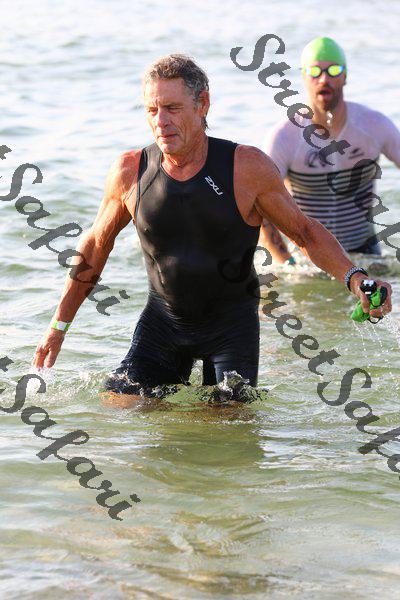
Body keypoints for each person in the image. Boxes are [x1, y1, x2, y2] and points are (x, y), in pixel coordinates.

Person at [32, 54, 392, 406]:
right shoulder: (130, 171)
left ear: (202, 104)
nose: (161, 121)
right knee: (118, 407)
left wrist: (356, 279)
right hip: (163, 324)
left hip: (231, 331)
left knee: (223, 433)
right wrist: (58, 328)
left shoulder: (246, 167)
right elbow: (96, 246)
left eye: (172, 108)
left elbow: (305, 232)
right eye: (152, 110)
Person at [260, 37, 400, 264]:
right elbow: (262, 207)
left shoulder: (374, 125)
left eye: (334, 70)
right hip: (309, 261)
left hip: (365, 254)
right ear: (304, 77)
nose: (324, 79)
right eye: (315, 71)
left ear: (345, 76)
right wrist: (288, 263)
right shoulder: (285, 137)